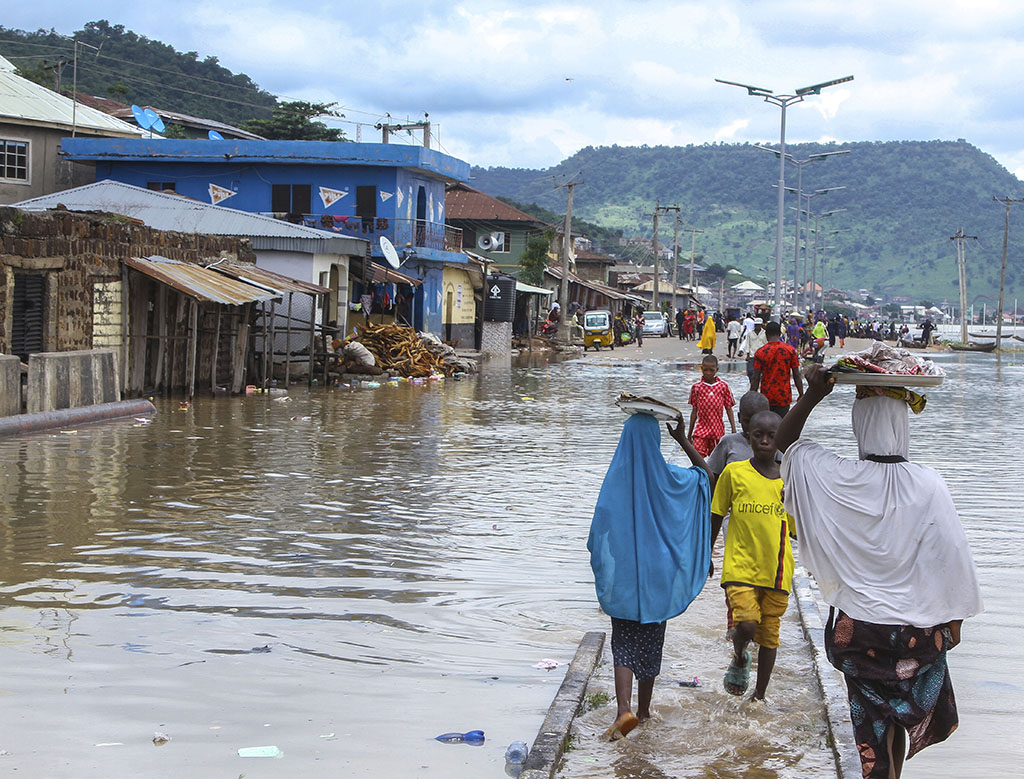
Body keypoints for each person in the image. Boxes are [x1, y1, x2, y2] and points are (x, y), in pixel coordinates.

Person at [776, 367, 983, 779]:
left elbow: (786, 445)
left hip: (859, 631)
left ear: (859, 424)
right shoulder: (928, 484)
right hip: (916, 632)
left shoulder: (836, 477)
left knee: (871, 727)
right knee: (899, 723)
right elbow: (951, 554)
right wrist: (954, 619)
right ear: (903, 424)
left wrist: (813, 395)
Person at [588, 413, 711, 740]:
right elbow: (706, 477)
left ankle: (623, 710)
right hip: (660, 578)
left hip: (626, 580)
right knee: (651, 643)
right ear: (656, 442)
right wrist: (684, 439)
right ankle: (643, 711)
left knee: (624, 645)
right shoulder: (670, 478)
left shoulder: (617, 479)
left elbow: (601, 527)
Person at [710, 410, 793, 700]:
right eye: (759, 435)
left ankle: (759, 695)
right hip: (740, 566)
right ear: (749, 436)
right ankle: (741, 654)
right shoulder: (735, 473)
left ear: (780, 439)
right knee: (746, 623)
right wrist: (706, 553)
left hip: (777, 571)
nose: (766, 441)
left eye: (772, 436)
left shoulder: (788, 480)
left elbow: (798, 527)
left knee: (770, 635)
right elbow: (717, 514)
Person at [706, 390, 772, 639]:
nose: (753, 427)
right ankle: (735, 635)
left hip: (766, 525)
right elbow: (712, 476)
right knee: (737, 577)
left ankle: (756, 634)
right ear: (740, 419)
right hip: (734, 521)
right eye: (746, 420)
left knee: (763, 585)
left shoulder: (775, 445)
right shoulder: (729, 443)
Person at [751, 321, 804, 417]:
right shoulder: (790, 350)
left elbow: (755, 378)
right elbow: (796, 374)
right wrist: (801, 394)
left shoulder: (760, 352)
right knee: (781, 427)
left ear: (766, 334)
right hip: (783, 396)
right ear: (780, 334)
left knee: (767, 427)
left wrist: (752, 396)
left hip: (766, 397)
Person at [687, 355, 736, 457]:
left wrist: (733, 429)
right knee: (697, 457)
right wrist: (690, 432)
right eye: (705, 370)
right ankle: (700, 473)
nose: (708, 373)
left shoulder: (723, 387)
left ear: (716, 370)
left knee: (716, 459)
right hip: (701, 430)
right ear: (701, 369)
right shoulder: (697, 388)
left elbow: (729, 409)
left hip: (717, 430)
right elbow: (694, 411)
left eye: (711, 370)